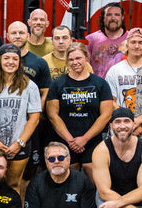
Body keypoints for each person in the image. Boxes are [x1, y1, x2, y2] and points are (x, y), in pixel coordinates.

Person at [0, 44, 42, 190]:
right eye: (6, 58)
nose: (10, 62)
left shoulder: (30, 86)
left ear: (19, 62)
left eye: (15, 59)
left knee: (12, 185)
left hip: (18, 145)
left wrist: (19, 143)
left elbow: (34, 118)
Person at [44, 43, 113, 174]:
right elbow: (53, 115)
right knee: (68, 180)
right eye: (71, 59)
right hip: (65, 140)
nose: (75, 62)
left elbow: (106, 115)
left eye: (78, 58)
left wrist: (85, 139)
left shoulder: (100, 84)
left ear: (87, 58)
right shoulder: (57, 84)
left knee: (92, 179)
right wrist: (71, 141)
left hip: (93, 140)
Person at [86, 1, 127, 77]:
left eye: (117, 15)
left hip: (123, 86)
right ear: (103, 18)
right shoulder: (91, 39)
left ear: (122, 17)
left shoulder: (131, 39)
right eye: (109, 15)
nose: (113, 18)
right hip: (98, 86)